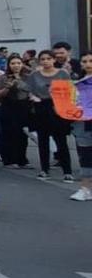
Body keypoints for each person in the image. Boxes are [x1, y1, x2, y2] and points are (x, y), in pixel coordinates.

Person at [27, 49, 73, 181]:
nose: (46, 61)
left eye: (48, 58)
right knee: (43, 140)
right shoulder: (35, 75)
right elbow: (29, 90)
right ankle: (44, 169)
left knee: (61, 140)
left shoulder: (62, 73)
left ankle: (67, 171)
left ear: (53, 60)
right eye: (43, 59)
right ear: (39, 61)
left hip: (58, 107)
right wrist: (33, 97)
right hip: (41, 107)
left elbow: (70, 91)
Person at [0, 54, 33, 170]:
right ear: (8, 65)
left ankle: (22, 159)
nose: (16, 66)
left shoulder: (27, 77)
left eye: (18, 63)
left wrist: (19, 82)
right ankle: (9, 160)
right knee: (8, 133)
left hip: (23, 106)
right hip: (8, 106)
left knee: (22, 134)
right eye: (13, 63)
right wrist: (8, 87)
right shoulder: (3, 77)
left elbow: (30, 90)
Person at [69, 51, 92, 201]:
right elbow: (72, 103)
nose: (88, 64)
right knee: (86, 156)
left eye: (90, 61)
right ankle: (85, 188)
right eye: (84, 61)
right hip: (83, 122)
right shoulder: (78, 84)